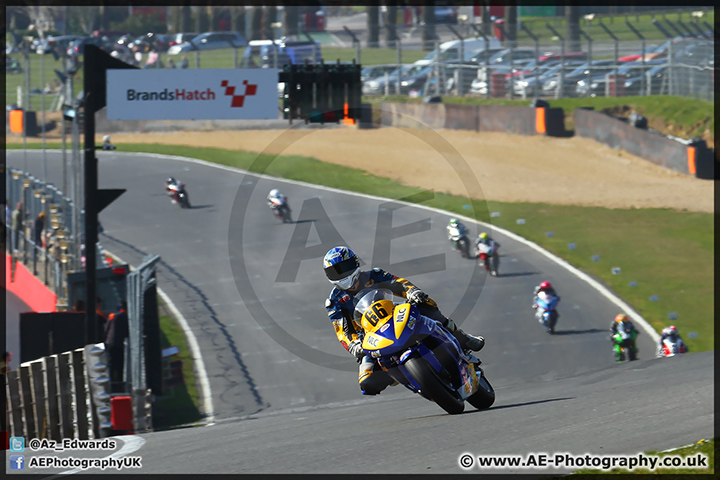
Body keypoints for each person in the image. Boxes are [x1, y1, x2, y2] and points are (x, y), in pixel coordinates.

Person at [323, 246, 485, 396]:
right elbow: (342, 330)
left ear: (355, 264)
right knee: (367, 383)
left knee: (423, 303)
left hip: (395, 316)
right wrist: (353, 346)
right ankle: (402, 375)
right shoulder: (334, 301)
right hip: (370, 339)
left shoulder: (373, 275)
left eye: (344, 268)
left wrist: (412, 292)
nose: (342, 274)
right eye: (335, 272)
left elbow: (398, 283)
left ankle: (461, 338)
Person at [104, 302, 129, 383]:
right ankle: (119, 382)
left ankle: (111, 382)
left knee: (110, 364)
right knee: (120, 365)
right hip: (120, 344)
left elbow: (106, 329)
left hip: (110, 343)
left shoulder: (112, 316)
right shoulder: (127, 318)